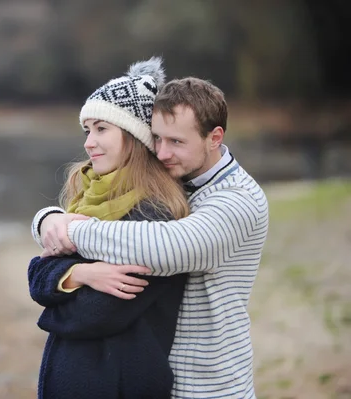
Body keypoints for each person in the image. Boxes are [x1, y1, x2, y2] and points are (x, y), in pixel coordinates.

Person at [32, 77, 269, 398]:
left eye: (176, 142)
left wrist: (69, 229)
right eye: (156, 139)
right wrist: (48, 221)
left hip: (209, 383)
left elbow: (166, 247)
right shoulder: (176, 181)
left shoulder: (236, 200)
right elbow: (42, 270)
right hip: (165, 376)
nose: (161, 152)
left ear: (214, 138)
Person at [28, 57, 191, 399]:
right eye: (88, 130)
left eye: (102, 129)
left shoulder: (154, 213)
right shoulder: (87, 195)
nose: (89, 142)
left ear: (134, 137)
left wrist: (54, 294)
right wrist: (81, 275)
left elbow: (94, 314)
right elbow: (37, 278)